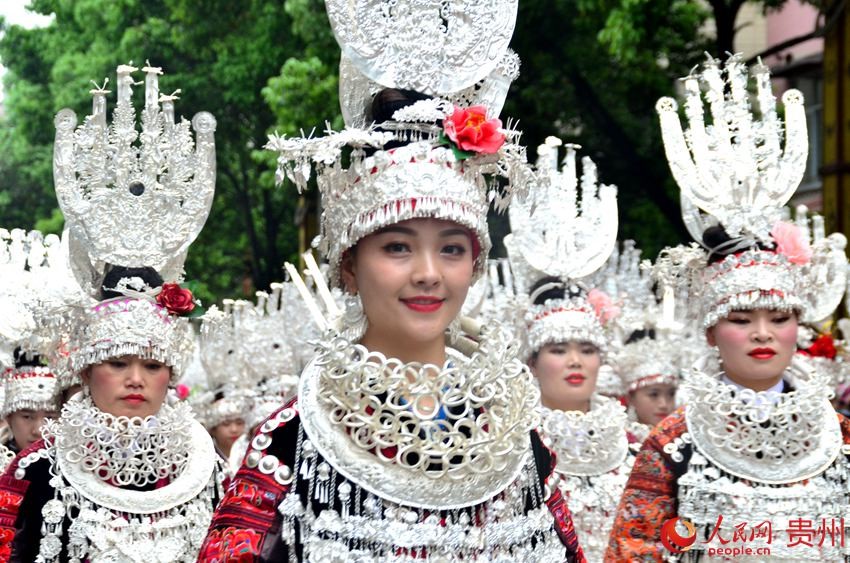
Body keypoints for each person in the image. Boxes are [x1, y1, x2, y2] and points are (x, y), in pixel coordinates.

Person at [200, 26, 584, 557]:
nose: (429, 273)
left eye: (451, 249)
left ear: (474, 265)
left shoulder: (512, 435)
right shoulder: (293, 440)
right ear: (350, 267)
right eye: (398, 248)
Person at [606, 55, 850, 560]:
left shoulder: (840, 437)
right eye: (742, 320)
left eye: (778, 318)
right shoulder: (673, 442)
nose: (763, 333)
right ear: (712, 331)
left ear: (798, 328)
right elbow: (634, 550)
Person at [0, 62, 223, 562]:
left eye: (151, 365)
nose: (136, 380)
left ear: (172, 372)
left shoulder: (209, 469)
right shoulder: (36, 473)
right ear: (86, 370)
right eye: (118, 364)